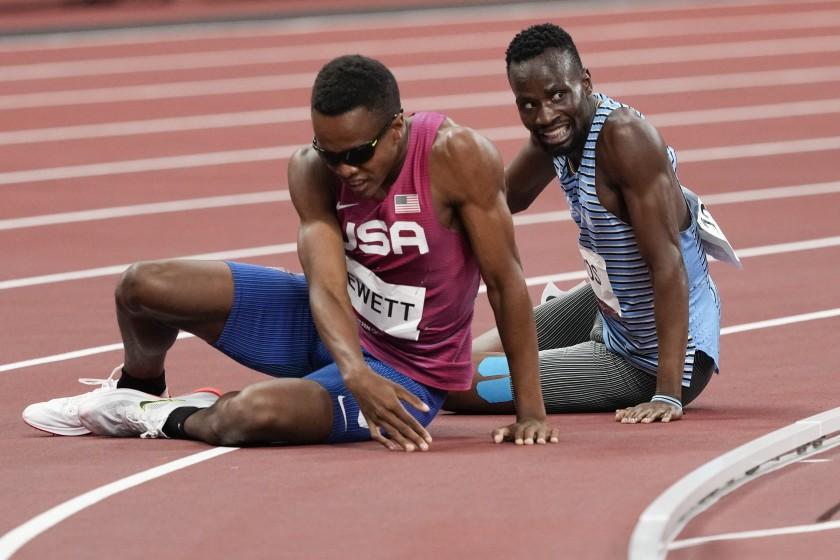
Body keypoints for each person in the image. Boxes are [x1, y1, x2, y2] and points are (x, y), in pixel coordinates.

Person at [23, 55, 559, 450]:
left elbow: (507, 282)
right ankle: (139, 385)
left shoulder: (457, 156)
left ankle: (155, 415)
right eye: (331, 153)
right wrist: (352, 369)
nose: (345, 170)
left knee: (248, 417)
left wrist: (530, 413)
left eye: (358, 153)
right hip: (324, 321)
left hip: (408, 370)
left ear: (396, 128)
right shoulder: (311, 169)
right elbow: (324, 279)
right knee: (141, 285)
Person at [444, 23, 730, 424]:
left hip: (649, 357)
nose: (544, 115)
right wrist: (431, 203)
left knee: (456, 382)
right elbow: (508, 198)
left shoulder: (626, 140)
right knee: (464, 358)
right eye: (528, 104)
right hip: (609, 310)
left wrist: (667, 394)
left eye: (557, 95)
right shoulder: (556, 134)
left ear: (585, 82)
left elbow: (668, 265)